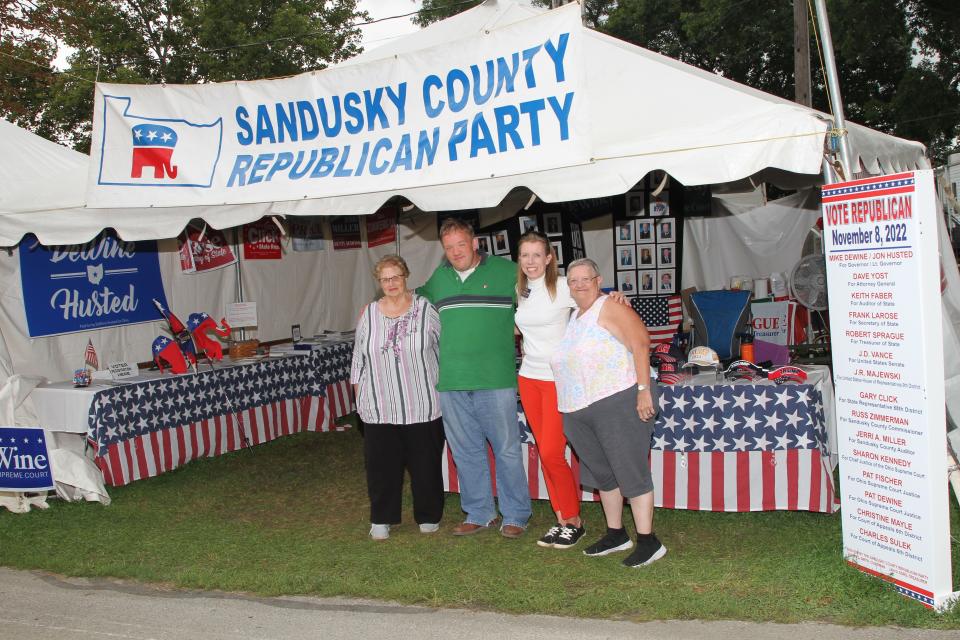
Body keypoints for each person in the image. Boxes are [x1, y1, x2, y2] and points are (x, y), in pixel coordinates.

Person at [419, 218, 531, 538]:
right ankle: (480, 512)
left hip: (495, 378)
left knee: (506, 448)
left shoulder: (507, 272)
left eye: (461, 245)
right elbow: (409, 303)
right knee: (466, 450)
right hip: (452, 380)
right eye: (449, 247)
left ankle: (515, 514)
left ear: (475, 243)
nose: (456, 252)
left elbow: (546, 293)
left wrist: (603, 297)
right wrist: (376, 308)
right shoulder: (439, 279)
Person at [551, 258, 667, 568]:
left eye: (585, 278)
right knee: (603, 474)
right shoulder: (575, 317)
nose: (578, 284)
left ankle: (648, 541)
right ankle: (616, 533)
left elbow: (641, 343)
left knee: (629, 470)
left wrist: (643, 389)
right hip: (580, 408)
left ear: (598, 279)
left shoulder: (610, 306)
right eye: (572, 280)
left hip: (617, 399)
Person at [350, 255, 445, 541]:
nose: (391, 283)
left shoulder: (426, 309)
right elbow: (358, 358)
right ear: (379, 283)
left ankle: (428, 515)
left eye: (396, 277)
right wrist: (360, 399)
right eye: (384, 279)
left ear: (406, 277)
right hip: (378, 405)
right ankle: (382, 517)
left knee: (425, 464)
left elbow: (443, 348)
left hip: (422, 403)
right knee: (381, 467)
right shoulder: (368, 313)